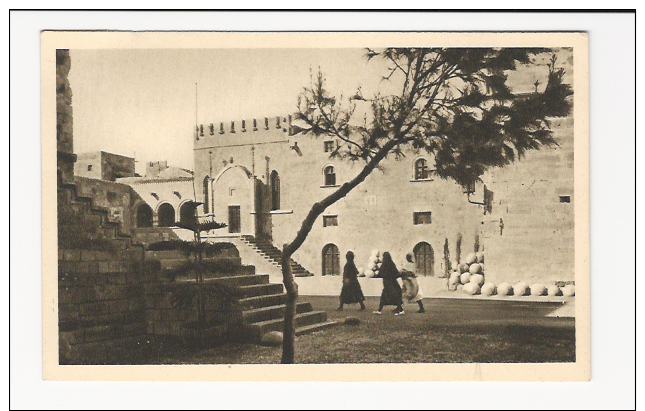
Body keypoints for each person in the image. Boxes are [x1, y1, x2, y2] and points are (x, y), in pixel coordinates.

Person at [373, 251, 405, 315]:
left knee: (387, 297)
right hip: (393, 283)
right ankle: (400, 310)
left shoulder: (384, 265)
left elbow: (380, 274)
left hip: (387, 283)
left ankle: (400, 310)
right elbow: (397, 274)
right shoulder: (392, 264)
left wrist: (374, 274)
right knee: (393, 296)